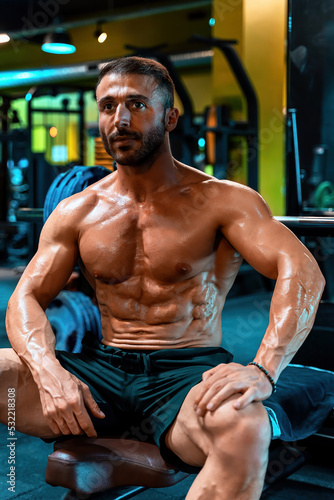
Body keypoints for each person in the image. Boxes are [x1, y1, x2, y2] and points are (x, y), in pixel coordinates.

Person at [0, 57, 325, 500]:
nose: (120, 119)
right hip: (102, 373)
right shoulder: (77, 211)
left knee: (244, 427)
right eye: (108, 106)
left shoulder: (222, 200)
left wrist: (264, 369)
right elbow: (26, 298)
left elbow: (301, 268)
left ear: (170, 117)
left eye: (136, 104)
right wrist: (49, 370)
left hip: (186, 375)